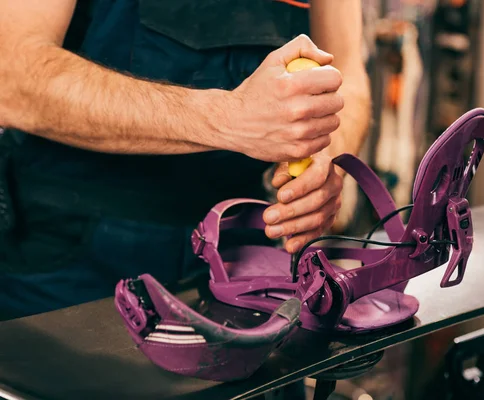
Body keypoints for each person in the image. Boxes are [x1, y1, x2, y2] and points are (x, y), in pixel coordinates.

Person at [0, 0, 371, 321]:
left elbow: (349, 75)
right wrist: (226, 118)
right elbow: (12, 75)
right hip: (70, 259)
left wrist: (325, 160)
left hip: (241, 249)